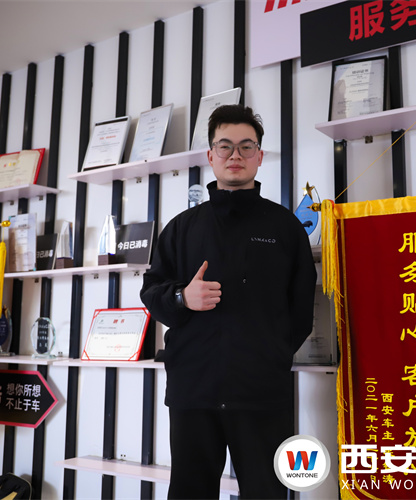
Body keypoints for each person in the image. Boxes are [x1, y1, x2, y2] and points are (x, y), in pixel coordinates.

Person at [140, 104, 317, 499]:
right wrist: (183, 297)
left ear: (259, 155)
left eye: (245, 146)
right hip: (193, 389)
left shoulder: (285, 227)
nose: (235, 155)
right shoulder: (182, 228)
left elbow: (301, 310)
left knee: (267, 492)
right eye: (225, 146)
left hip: (262, 392)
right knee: (190, 492)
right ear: (210, 155)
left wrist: (270, 354)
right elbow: (151, 292)